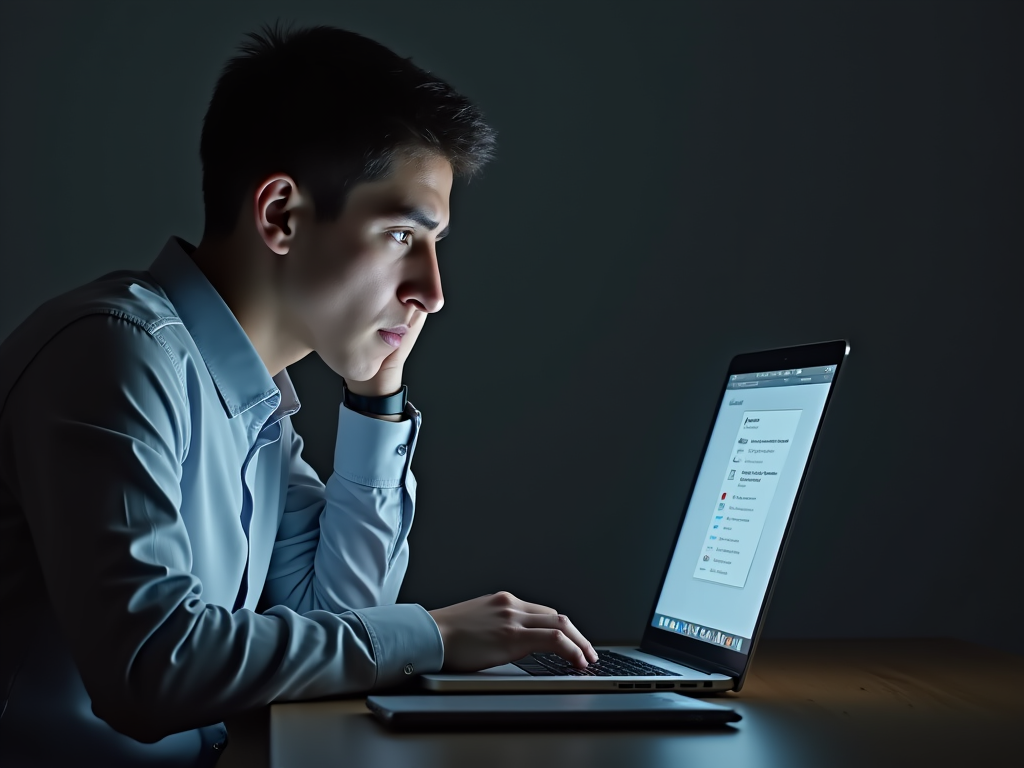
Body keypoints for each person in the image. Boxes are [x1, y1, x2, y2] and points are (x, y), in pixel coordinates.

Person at [0, 23, 596, 767]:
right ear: (281, 213)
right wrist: (436, 635)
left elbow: (339, 621)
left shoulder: (252, 405)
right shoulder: (116, 353)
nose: (433, 293)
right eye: (404, 237)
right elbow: (150, 667)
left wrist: (377, 396)